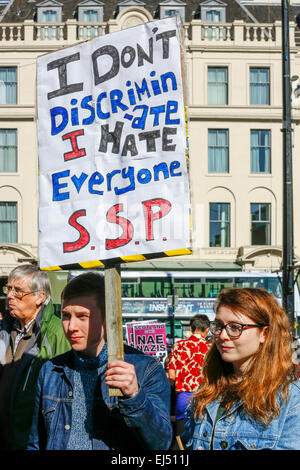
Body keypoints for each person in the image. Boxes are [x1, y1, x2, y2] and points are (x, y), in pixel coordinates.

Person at [27, 271, 173, 450]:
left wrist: (134, 395)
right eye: (66, 316)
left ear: (107, 319)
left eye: (82, 316)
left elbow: (161, 444)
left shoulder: (145, 369)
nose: (71, 326)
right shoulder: (51, 370)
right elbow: (35, 442)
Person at [182, 287, 300, 450]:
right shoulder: (209, 389)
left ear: (264, 334)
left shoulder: (291, 398)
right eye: (219, 325)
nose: (223, 335)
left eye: (235, 327)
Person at [0, 264, 70, 450]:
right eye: (8, 288)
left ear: (39, 297)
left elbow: (68, 392)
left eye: (18, 291)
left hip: (34, 441)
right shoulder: (4, 330)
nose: (9, 296)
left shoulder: (56, 332)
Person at [168, 314, 210, 437]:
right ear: (207, 330)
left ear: (190, 329)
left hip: (183, 398)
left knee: (182, 439)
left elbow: (171, 376)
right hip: (205, 398)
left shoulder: (178, 346)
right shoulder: (211, 348)